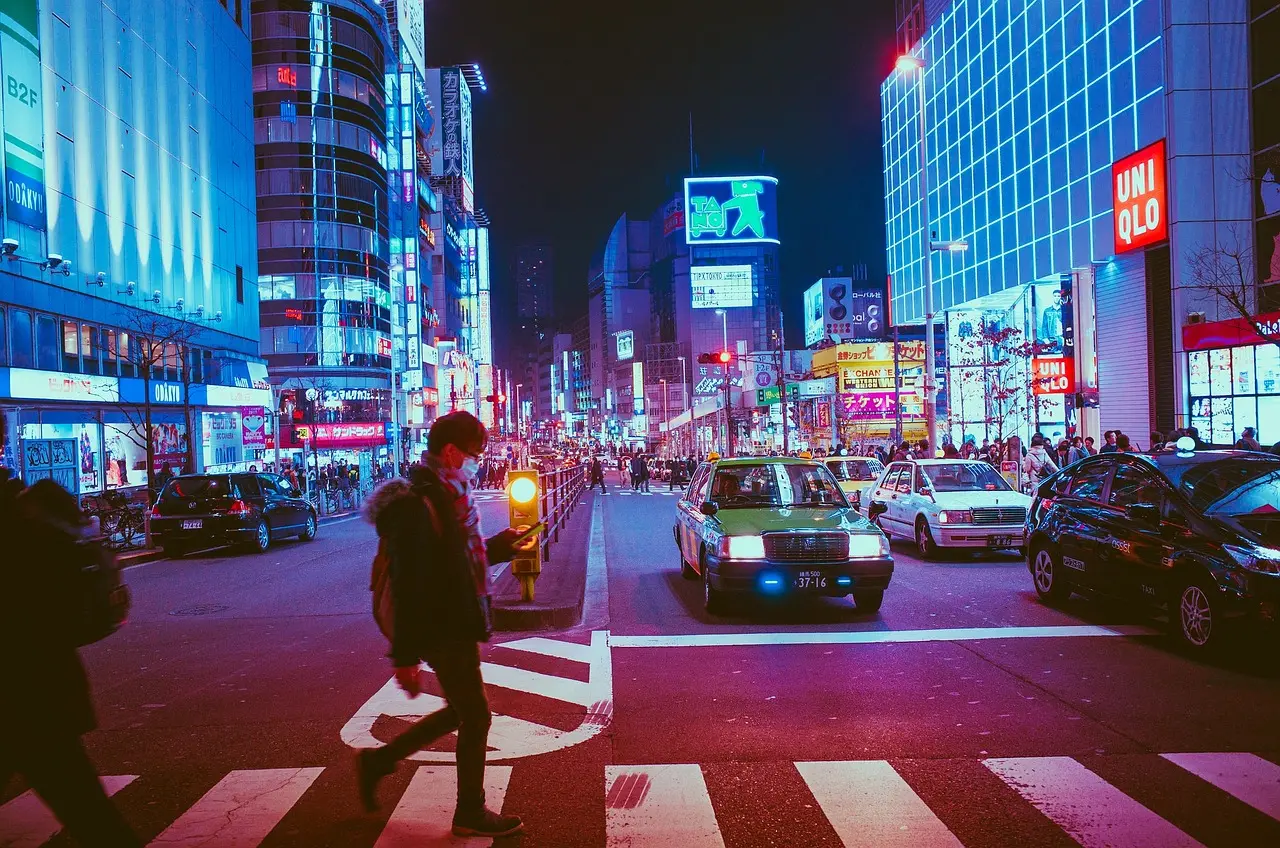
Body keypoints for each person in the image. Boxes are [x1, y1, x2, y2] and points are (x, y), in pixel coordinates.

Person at [358, 412, 526, 838]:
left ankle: (379, 762)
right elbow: (409, 580)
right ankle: (469, 810)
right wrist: (405, 656)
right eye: (473, 455)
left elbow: (452, 556)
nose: (477, 463)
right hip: (441, 622)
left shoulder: (450, 493)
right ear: (450, 452)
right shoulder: (420, 502)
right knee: (476, 714)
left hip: (455, 616)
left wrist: (498, 548)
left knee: (464, 710)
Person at [1, 469, 143, 846]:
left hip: (25, 694)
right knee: (89, 813)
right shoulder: (28, 504)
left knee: (90, 814)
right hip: (43, 690)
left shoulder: (15, 515)